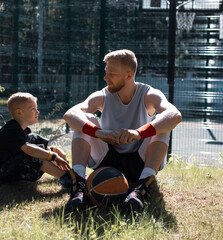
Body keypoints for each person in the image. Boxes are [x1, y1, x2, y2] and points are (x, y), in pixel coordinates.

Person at [63, 49, 182, 211]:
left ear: (129, 75)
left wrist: (139, 133)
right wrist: (99, 133)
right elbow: (70, 114)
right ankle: (78, 187)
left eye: (111, 73)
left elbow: (174, 115)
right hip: (108, 159)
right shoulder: (102, 96)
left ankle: (141, 188)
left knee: (161, 123)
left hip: (139, 161)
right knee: (85, 119)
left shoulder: (148, 94)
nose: (106, 78)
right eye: (106, 72)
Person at [0, 92, 79, 190]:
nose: (37, 112)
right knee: (34, 154)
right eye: (33, 109)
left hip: (8, 164)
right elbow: (29, 150)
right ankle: (68, 179)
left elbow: (32, 146)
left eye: (36, 109)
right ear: (19, 112)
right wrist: (54, 156)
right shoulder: (11, 130)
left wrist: (54, 150)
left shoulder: (23, 129)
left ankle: (64, 171)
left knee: (34, 139)